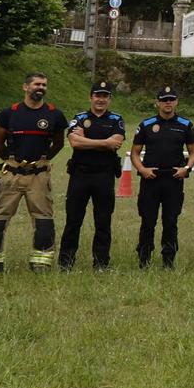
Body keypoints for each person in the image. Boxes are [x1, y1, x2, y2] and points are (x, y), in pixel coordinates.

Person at [0, 71, 68, 273]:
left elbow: (58, 143)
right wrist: (12, 163)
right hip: (12, 174)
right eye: (37, 84)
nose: (41, 88)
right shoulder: (9, 114)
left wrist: (41, 163)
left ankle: (41, 263)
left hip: (38, 175)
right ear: (25, 87)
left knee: (44, 219)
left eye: (44, 85)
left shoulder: (54, 114)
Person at [60, 82, 126, 272]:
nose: (101, 99)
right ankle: (66, 262)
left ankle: (101, 263)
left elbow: (116, 143)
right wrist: (104, 142)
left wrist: (87, 140)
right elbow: (75, 143)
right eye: (97, 95)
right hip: (80, 174)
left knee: (103, 221)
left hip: (104, 175)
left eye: (105, 96)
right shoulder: (79, 118)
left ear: (109, 99)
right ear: (90, 97)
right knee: (73, 220)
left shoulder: (116, 119)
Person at [131, 87, 194, 269]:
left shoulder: (185, 124)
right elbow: (135, 153)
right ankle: (144, 259)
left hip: (174, 179)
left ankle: (168, 261)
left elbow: (193, 152)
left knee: (170, 221)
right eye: (164, 99)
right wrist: (142, 169)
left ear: (176, 102)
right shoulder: (146, 124)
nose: (168, 103)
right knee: (147, 221)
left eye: (171, 99)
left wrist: (187, 168)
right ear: (157, 103)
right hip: (150, 179)